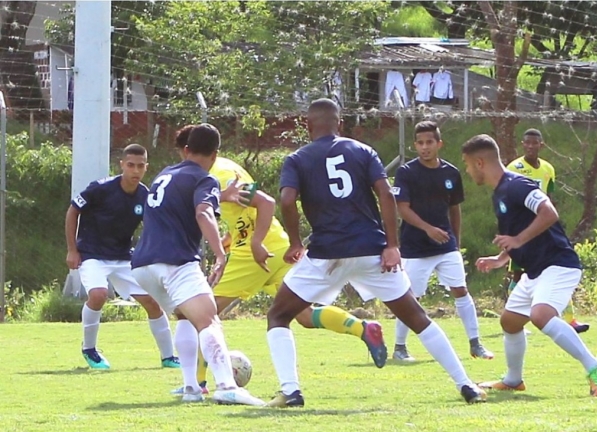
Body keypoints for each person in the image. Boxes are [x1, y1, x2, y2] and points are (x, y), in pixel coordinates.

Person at [265, 98, 486, 408]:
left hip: (327, 254)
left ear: (307, 125)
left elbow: (287, 200)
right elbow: (385, 192)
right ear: (339, 123)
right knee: (418, 318)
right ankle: (467, 386)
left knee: (278, 315)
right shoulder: (362, 150)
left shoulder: (298, 159)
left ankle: (291, 391)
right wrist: (392, 245)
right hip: (372, 250)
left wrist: (294, 242)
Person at [169, 126, 387, 395]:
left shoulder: (220, 175)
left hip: (254, 254)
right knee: (304, 315)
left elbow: (266, 202)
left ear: (188, 150)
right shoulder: (225, 166)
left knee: (200, 314)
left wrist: (255, 242)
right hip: (276, 245)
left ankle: (198, 384)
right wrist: (232, 237)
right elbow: (242, 214)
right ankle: (363, 328)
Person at [461, 134, 597, 397]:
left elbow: (549, 212)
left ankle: (595, 366)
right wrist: (501, 258)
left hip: (558, 264)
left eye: (468, 164)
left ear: (480, 162)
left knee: (541, 316)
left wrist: (518, 239)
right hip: (534, 271)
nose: (467, 169)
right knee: (509, 322)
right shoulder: (499, 195)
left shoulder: (517, 185)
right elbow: (515, 237)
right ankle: (513, 379)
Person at [130, 123, 264, 406]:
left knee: (187, 318)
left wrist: (222, 196)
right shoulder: (205, 179)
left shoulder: (166, 174)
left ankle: (191, 387)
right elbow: (203, 213)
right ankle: (227, 386)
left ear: (187, 150)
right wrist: (220, 253)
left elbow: (180, 202)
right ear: (215, 155)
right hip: (175, 261)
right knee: (209, 319)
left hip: (142, 266)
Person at [65, 144, 178, 370]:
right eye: (130, 165)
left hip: (123, 258)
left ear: (146, 167)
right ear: (122, 165)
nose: (135, 170)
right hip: (92, 254)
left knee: (152, 302)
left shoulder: (145, 195)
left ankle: (168, 357)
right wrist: (72, 249)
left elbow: (154, 227)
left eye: (140, 166)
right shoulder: (100, 188)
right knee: (98, 295)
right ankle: (90, 350)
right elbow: (72, 211)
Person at [391, 121, 493, 362]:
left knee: (461, 290)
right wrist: (427, 229)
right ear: (415, 145)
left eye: (429, 142)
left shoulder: (451, 173)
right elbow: (402, 208)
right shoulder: (407, 173)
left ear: (439, 144)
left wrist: (455, 242)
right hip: (415, 247)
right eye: (420, 143)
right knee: (409, 297)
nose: (425, 147)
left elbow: (454, 209)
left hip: (446, 245)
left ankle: (475, 343)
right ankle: (399, 346)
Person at [507, 129, 589, 334]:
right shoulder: (514, 168)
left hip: (543, 228)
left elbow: (548, 199)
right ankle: (517, 321)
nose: (530, 147)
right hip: (522, 228)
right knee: (518, 275)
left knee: (556, 269)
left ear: (541, 145)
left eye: (534, 144)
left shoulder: (547, 169)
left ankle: (570, 319)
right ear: (522, 144)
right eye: (527, 143)